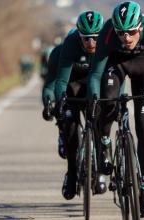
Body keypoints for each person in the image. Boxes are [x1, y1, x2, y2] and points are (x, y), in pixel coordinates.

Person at [87, 1, 144, 217]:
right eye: (121, 33)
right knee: (107, 103)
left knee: (143, 125)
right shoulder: (107, 33)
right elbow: (96, 74)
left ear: (140, 27)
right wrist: (95, 98)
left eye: (131, 32)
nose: (126, 38)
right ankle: (104, 145)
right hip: (116, 64)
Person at [52, 10, 105, 200]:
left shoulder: (107, 41)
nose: (91, 43)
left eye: (95, 38)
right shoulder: (70, 43)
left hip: (96, 83)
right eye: (86, 39)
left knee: (100, 121)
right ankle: (72, 173)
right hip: (74, 82)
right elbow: (61, 81)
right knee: (71, 127)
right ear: (79, 36)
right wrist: (60, 102)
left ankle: (99, 169)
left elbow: (116, 76)